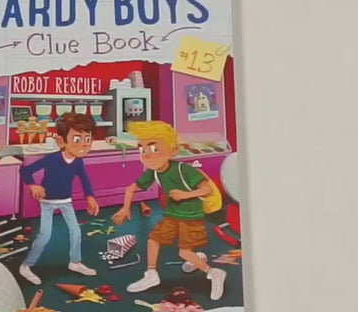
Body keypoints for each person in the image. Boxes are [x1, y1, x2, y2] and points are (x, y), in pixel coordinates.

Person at [111, 120, 226, 300]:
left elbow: (207, 190)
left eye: (154, 149)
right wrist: (125, 208)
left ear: (173, 151)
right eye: (142, 150)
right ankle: (151, 275)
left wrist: (184, 194)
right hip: (172, 214)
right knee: (153, 241)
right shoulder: (154, 172)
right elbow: (131, 188)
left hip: (191, 215)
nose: (147, 155)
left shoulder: (183, 169)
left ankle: (213, 272)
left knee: (184, 252)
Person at [19, 113, 99, 285]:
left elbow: (84, 179)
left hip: (65, 201)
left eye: (88, 139)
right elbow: (26, 171)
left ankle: (75, 262)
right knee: (45, 235)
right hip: (48, 202)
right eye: (77, 139)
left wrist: (90, 197)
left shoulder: (77, 161)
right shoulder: (53, 159)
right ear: (61, 141)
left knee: (76, 231)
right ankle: (26, 265)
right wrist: (33, 185)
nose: (84, 145)